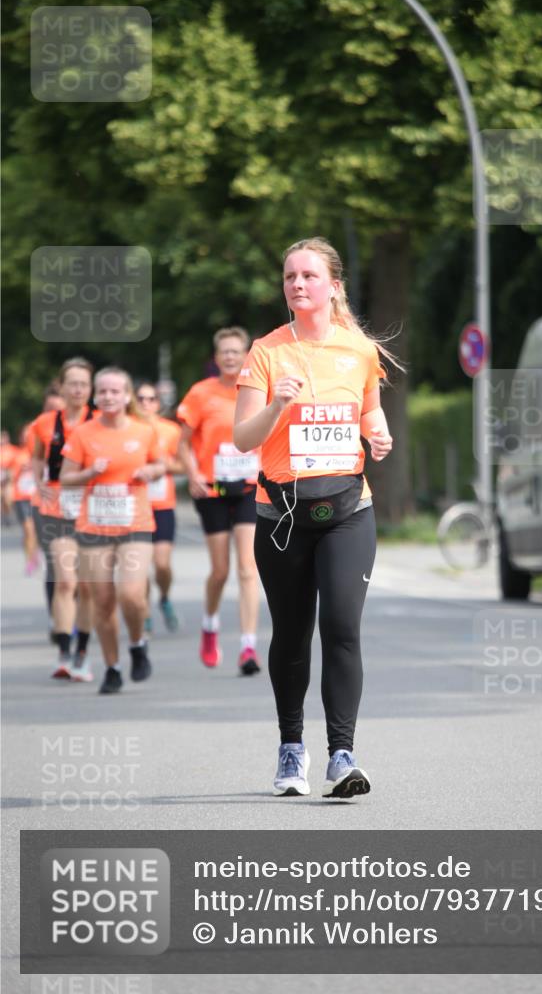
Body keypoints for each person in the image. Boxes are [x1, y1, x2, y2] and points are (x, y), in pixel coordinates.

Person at [234, 236, 395, 799]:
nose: (297, 284)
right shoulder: (266, 352)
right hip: (281, 516)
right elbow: (243, 436)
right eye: (289, 277)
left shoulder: (359, 351)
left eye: (307, 276)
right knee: (294, 633)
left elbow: (370, 415)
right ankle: (291, 747)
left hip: (349, 510)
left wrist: (378, 435)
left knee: (343, 627)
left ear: (332, 285)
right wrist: (276, 404)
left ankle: (343, 754)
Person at [60, 367, 165, 695]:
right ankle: (113, 667)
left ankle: (137, 643)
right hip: (95, 526)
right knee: (102, 601)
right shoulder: (83, 433)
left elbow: (161, 464)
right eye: (102, 391)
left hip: (135, 523)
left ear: (126, 396)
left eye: (114, 391)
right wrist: (90, 471)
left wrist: (150, 470)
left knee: (132, 594)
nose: (107, 397)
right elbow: (65, 477)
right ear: (96, 395)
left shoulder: (143, 430)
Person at [177, 327, 261, 675]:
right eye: (224, 352)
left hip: (248, 484)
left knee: (247, 567)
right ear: (216, 357)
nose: (230, 357)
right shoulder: (200, 393)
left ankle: (248, 647)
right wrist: (192, 472)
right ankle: (210, 625)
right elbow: (183, 442)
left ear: (246, 355)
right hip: (212, 488)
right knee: (220, 571)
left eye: (236, 351)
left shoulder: (256, 390)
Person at [31, 359, 95, 680]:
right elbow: (37, 457)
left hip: (94, 512)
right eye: (72, 383)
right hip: (56, 509)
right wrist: (38, 483)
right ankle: (64, 649)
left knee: (87, 585)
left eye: (84, 384)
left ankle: (83, 650)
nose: (78, 389)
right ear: (63, 386)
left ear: (91, 388)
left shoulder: (99, 422)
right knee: (65, 579)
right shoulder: (45, 423)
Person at [135, 382, 183, 633]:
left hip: (163, 505)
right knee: (140, 566)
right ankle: (143, 611)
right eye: (141, 398)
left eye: (151, 398)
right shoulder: (128, 429)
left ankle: (163, 597)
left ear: (158, 402)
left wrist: (163, 467)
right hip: (135, 506)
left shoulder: (171, 430)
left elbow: (184, 466)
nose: (146, 403)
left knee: (162, 564)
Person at [30, 385, 65, 636]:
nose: (54, 413)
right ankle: (57, 617)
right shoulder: (39, 427)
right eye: (49, 408)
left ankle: (73, 611)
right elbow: (34, 459)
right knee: (55, 564)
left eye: (57, 408)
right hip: (45, 505)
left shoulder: (84, 427)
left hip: (78, 505)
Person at [11, 425, 39, 575]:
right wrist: (21, 469)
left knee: (35, 530)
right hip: (21, 497)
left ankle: (34, 554)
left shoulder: (40, 454)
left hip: (37, 497)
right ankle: (29, 559)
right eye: (24, 435)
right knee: (28, 530)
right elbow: (9, 477)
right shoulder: (16, 454)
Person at [1, 430, 19, 525]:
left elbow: (16, 464)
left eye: (4, 437)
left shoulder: (14, 450)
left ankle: (8, 515)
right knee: (2, 500)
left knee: (8, 499)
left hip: (9, 478)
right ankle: (4, 517)